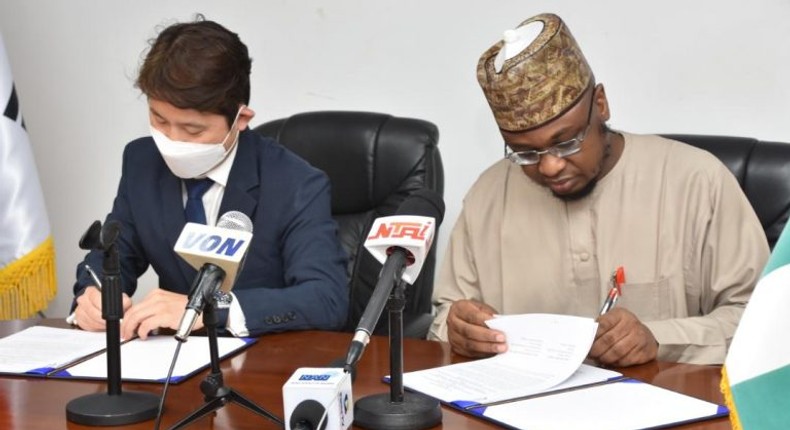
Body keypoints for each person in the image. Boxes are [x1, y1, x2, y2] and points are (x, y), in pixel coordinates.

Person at [428, 13, 769, 366]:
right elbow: (444, 320)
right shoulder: (488, 195)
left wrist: (659, 339)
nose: (549, 166)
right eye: (525, 152)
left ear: (601, 104)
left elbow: (764, 323)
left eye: (566, 142)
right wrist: (459, 329)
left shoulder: (696, 181)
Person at [70, 16, 349, 340]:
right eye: (159, 120)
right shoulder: (142, 163)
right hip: (169, 367)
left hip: (262, 367)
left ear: (241, 119)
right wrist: (92, 295)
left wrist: (214, 309)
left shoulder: (296, 183)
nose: (172, 141)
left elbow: (326, 299)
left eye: (192, 130)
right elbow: (115, 256)